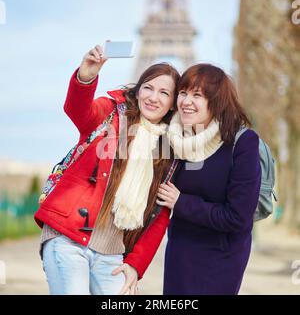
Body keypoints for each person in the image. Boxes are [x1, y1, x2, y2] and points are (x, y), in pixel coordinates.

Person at [34, 44, 180, 295]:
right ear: (138, 89)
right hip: (68, 237)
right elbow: (78, 111)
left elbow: (160, 216)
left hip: (113, 253)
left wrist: (135, 265)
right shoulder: (110, 111)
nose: (153, 97)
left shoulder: (169, 152)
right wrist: (86, 77)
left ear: (172, 104)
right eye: (148, 87)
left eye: (164, 93)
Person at [131, 63, 262, 294]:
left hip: (221, 257)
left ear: (216, 101)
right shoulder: (173, 139)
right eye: (183, 93)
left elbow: (238, 218)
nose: (186, 101)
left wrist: (182, 203)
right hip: (180, 253)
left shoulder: (242, 143)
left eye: (197, 95)